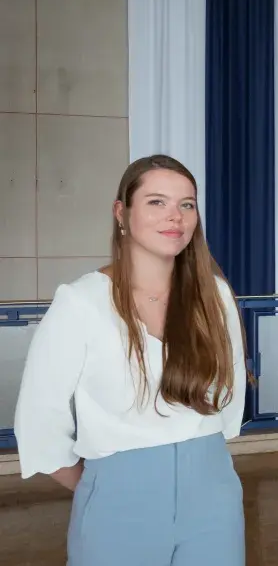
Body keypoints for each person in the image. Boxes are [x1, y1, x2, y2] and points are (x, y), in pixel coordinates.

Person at [14, 154, 248, 566]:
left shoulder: (215, 296)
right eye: (156, 202)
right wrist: (106, 486)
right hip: (117, 502)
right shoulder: (82, 301)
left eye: (187, 204)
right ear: (122, 212)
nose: (174, 216)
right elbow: (39, 420)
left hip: (213, 493)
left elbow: (229, 401)